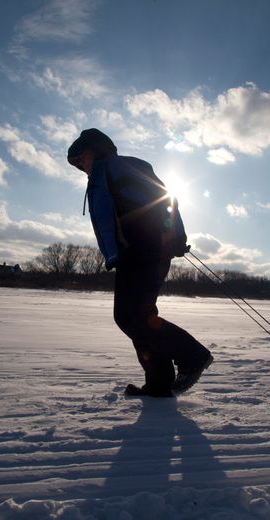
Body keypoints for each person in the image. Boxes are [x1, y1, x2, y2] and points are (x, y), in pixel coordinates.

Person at [67, 128, 213, 397]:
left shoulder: (121, 167)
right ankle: (159, 383)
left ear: (97, 150)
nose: (82, 165)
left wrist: (175, 236)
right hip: (132, 254)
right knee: (141, 316)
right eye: (78, 163)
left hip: (145, 251)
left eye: (83, 158)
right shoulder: (102, 175)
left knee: (129, 316)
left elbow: (167, 198)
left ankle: (192, 356)